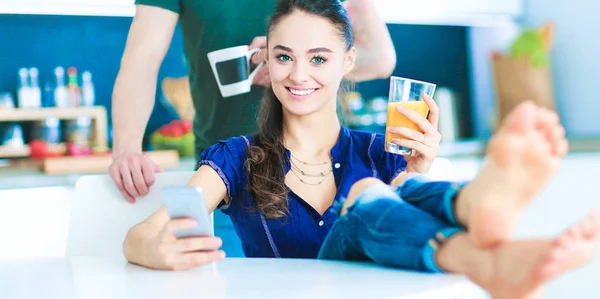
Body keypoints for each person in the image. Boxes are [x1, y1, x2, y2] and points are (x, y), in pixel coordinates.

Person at [123, 1, 599, 298]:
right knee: (370, 194)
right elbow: (142, 235)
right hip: (272, 257)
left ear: (347, 62)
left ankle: (472, 208)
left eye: (319, 58)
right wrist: (155, 246)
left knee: (387, 192)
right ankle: (472, 212)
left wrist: (417, 170)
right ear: (267, 61)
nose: (299, 74)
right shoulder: (235, 157)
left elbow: (402, 222)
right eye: (284, 57)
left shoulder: (377, 150)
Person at [109, 0, 398, 203]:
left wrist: (291, 63)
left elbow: (379, 58)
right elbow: (142, 57)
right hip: (227, 182)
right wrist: (126, 149)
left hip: (324, 175)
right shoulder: (222, 167)